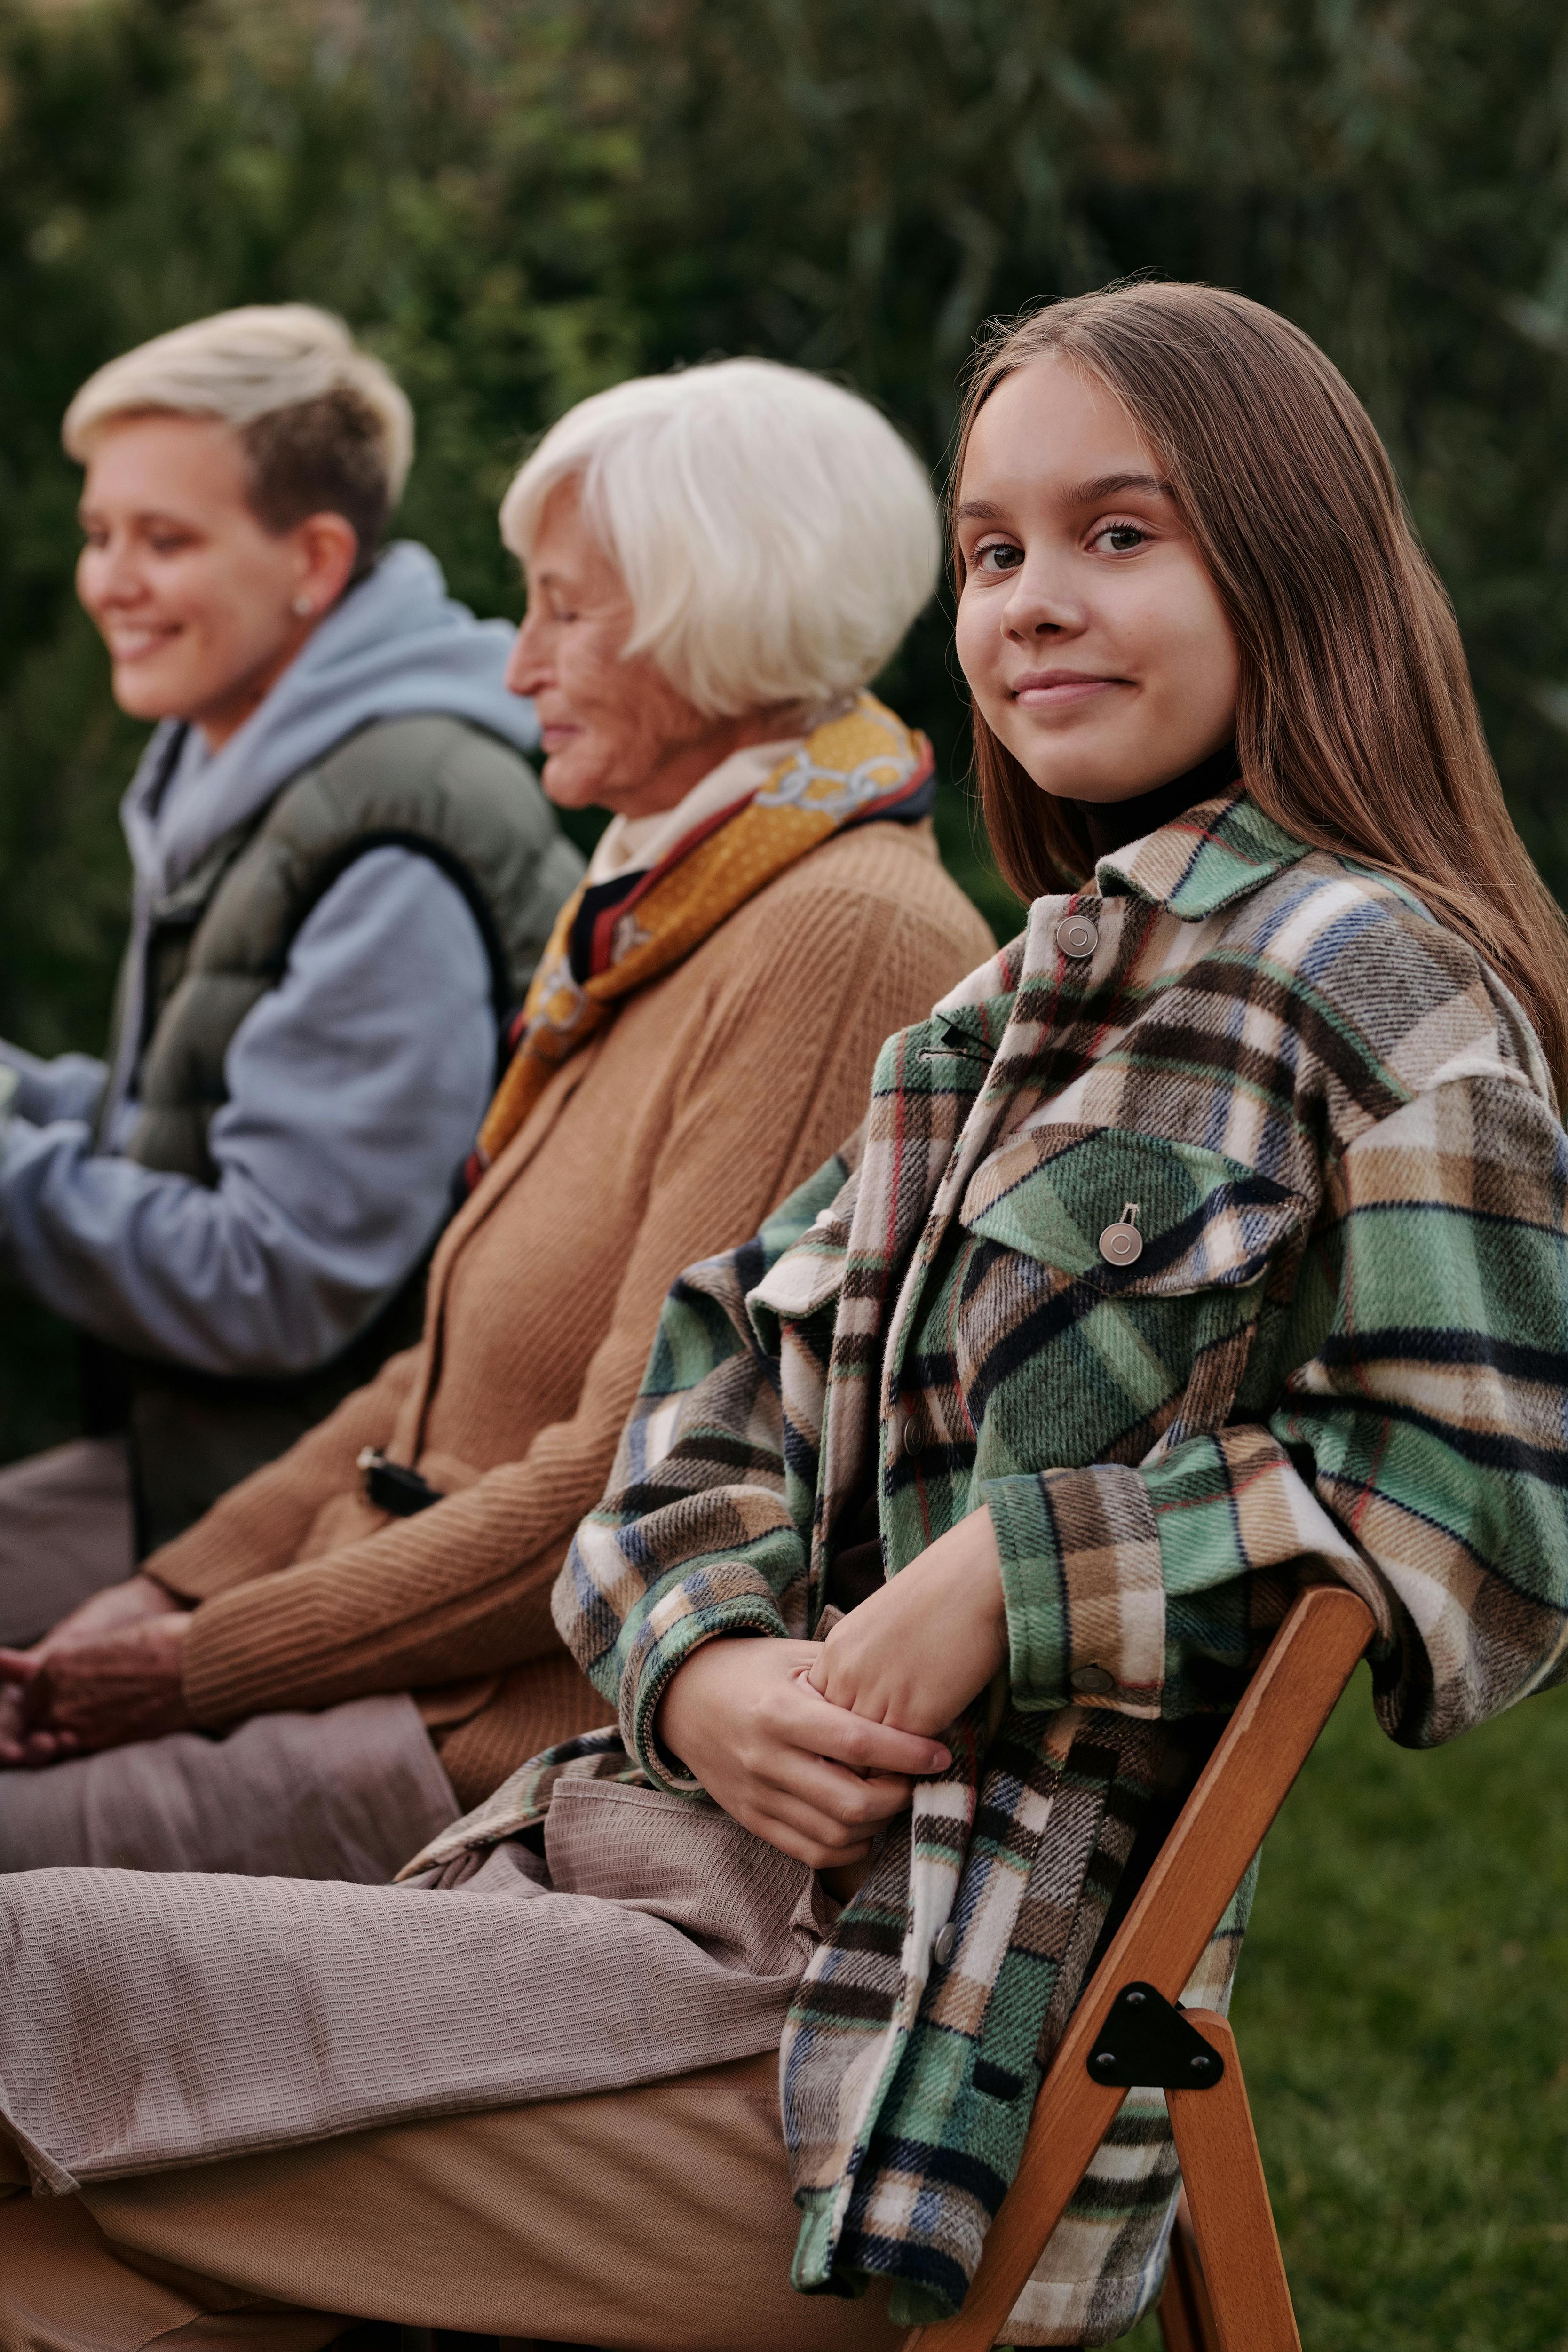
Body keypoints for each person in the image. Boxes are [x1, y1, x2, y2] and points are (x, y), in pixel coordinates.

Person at [5, 281, 1566, 2352]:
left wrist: (1016, 1581)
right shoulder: (995, 1010)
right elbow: (692, 1398)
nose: (1030, 601)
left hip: (885, 2047)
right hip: (631, 1878)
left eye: (1122, 533)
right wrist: (710, 1667)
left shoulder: (1374, 980)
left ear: (1291, 552)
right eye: (996, 549)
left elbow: (1485, 1519)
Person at [0, 355, 993, 1884]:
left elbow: (615, 1485)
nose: (518, 664)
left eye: (564, 610)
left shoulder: (834, 934)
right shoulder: (668, 891)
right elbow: (435, 1383)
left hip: (492, 1740)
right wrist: (168, 1592)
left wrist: (191, 1666)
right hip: (383, 1650)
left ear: (712, 615)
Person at [0, 303, 582, 1621]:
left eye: (165, 540)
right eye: (100, 536)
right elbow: (201, 1112)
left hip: (327, 1523)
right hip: (186, 1462)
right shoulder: (239, 760)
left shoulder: (392, 836)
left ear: (314, 559)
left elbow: (275, 1282)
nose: (108, 581)